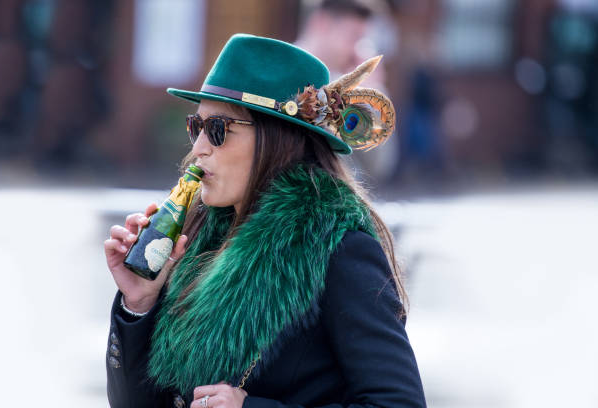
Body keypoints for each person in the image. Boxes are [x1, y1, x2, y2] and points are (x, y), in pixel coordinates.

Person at [104, 33, 426, 408]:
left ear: (276, 138)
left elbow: (398, 403)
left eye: (218, 130)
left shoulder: (339, 248)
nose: (198, 148)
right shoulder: (196, 237)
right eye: (196, 127)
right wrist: (138, 303)